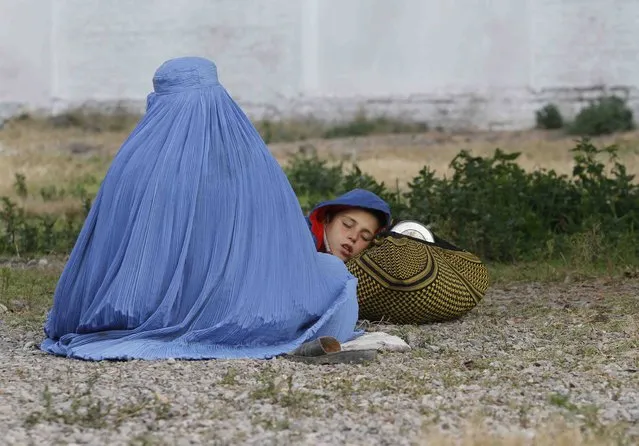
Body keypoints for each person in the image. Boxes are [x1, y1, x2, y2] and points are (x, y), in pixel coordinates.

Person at [40, 56, 371, 361]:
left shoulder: (132, 162)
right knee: (333, 274)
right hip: (245, 312)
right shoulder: (252, 158)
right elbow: (285, 257)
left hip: (124, 311)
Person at [306, 189, 391, 262]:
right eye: (347, 225)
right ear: (327, 219)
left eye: (365, 237)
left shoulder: (360, 270)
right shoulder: (300, 239)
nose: (353, 237)